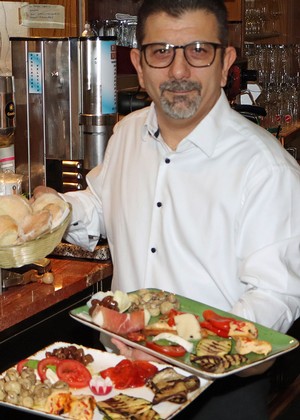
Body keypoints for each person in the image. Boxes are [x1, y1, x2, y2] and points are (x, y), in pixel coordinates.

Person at [34, 0, 300, 418]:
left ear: (226, 61)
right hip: (124, 376)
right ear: (139, 64)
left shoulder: (266, 168)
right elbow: (103, 202)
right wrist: (56, 210)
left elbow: (275, 295)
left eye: (198, 50)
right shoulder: (127, 132)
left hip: (217, 393)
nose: (178, 72)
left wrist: (185, 346)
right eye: (161, 52)